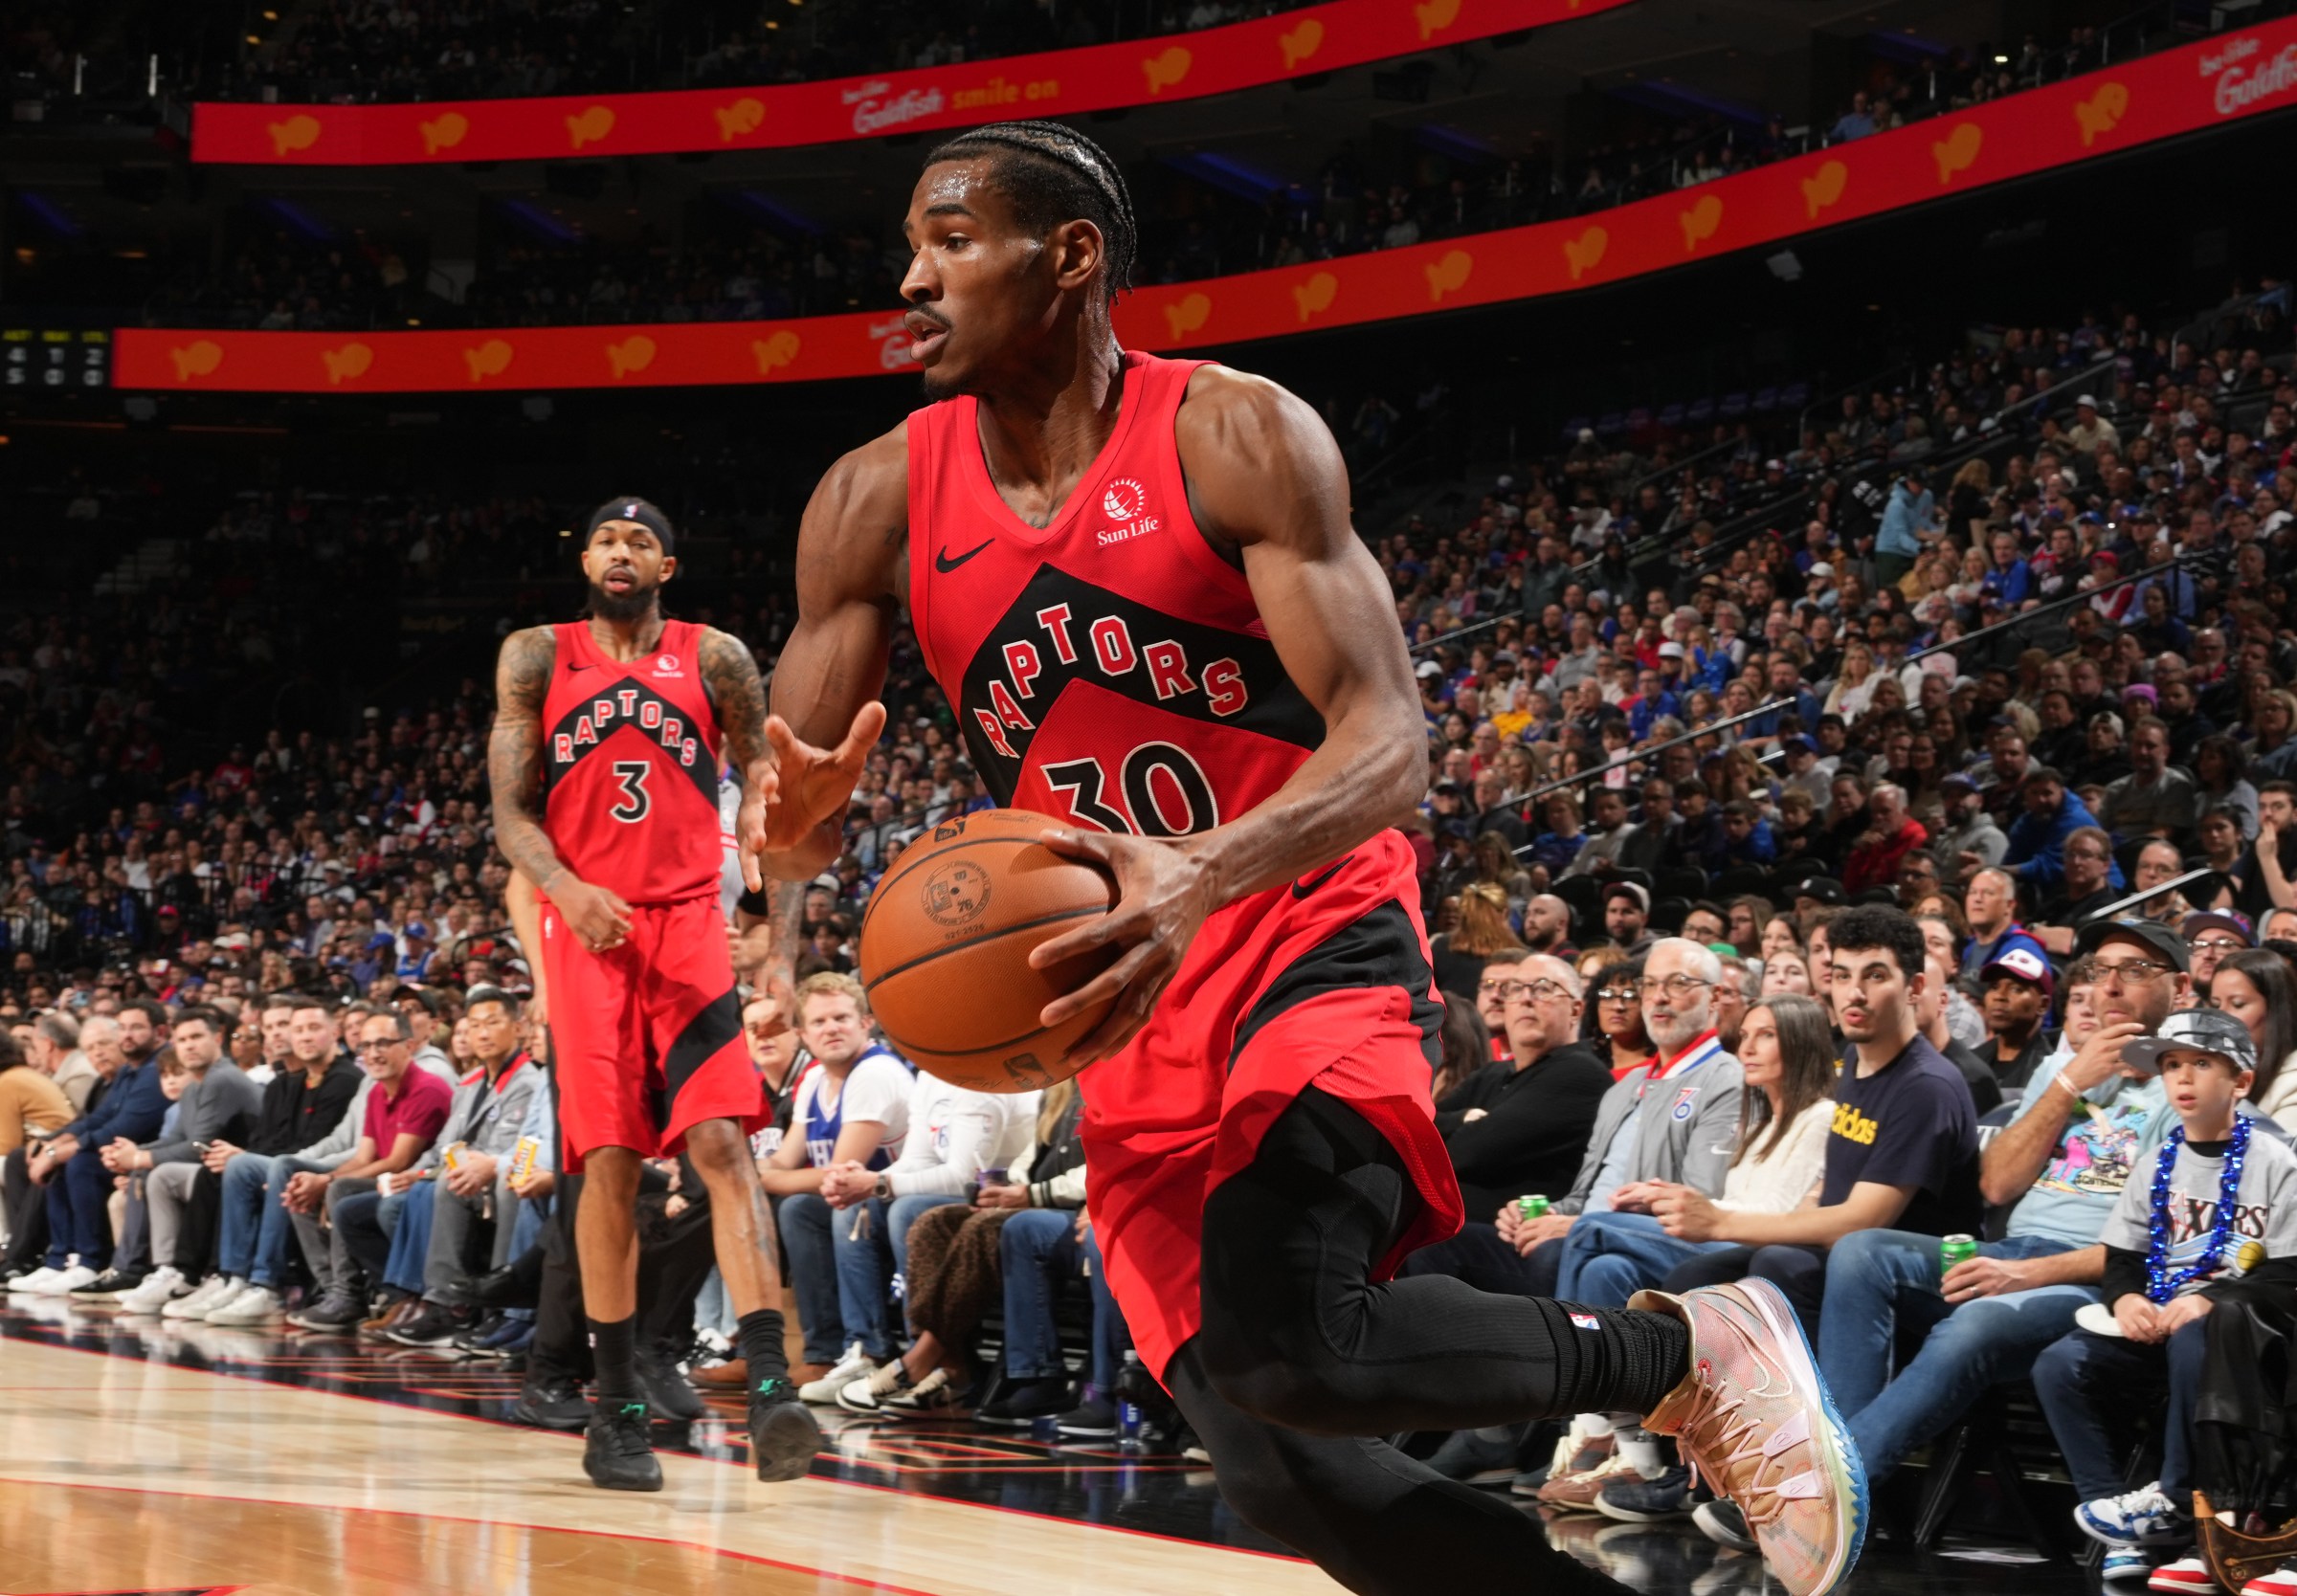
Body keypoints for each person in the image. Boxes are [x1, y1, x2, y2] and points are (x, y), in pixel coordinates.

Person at [747, 121, 1866, 1596]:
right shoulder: (872, 498)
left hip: (1301, 934)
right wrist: (794, 869)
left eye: (952, 241)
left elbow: (1392, 741)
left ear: (1070, 255)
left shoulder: (1232, 433)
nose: (912, 275)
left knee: (1297, 1343)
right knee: (1281, 1455)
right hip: (1121, 1003)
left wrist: (1200, 872)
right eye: (913, 244)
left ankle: (1686, 1346)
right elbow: (793, 818)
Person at [487, 495, 823, 1491]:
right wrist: (566, 889)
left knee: (726, 1145)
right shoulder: (535, 657)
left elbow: (773, 795)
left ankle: (772, 1390)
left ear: (668, 568)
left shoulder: (713, 656)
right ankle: (617, 1410)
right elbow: (512, 815)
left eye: (644, 541)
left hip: (685, 929)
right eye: (608, 538)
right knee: (614, 1167)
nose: (623, 552)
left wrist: (774, 933)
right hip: (589, 933)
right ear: (584, 556)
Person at [1816, 919, 2189, 1528]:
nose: (2112, 985)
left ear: (2180, 988)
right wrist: (2069, 1081)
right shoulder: (2066, 1068)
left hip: (2094, 1280)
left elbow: (2159, 1249)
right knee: (1861, 1251)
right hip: (2011, 1249)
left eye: (2137, 970)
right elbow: (1997, 1185)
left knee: (1977, 1324)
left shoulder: (2186, 1088)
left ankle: (1831, 1490)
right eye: (2101, 969)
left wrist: (2027, 1274)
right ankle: (1850, 1476)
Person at [2034, 1010, 2297, 1577]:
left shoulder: (2277, 1161)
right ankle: (2127, 1530)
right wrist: (2127, 1301)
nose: (2183, 1077)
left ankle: (2178, 1502)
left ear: (2242, 1082)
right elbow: (2122, 1261)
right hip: (2159, 1318)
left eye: (2202, 1064)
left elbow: (2288, 1272)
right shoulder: (2157, 1162)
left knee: (2194, 1336)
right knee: (2060, 1365)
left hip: (2234, 1335)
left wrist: (2210, 1298)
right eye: (2172, 1065)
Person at [2212, 949, 2297, 1124]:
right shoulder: (2217, 1071)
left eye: (2238, 1004)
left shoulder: (2292, 1084)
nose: (2220, 1017)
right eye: (2216, 1005)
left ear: (2276, 1010)